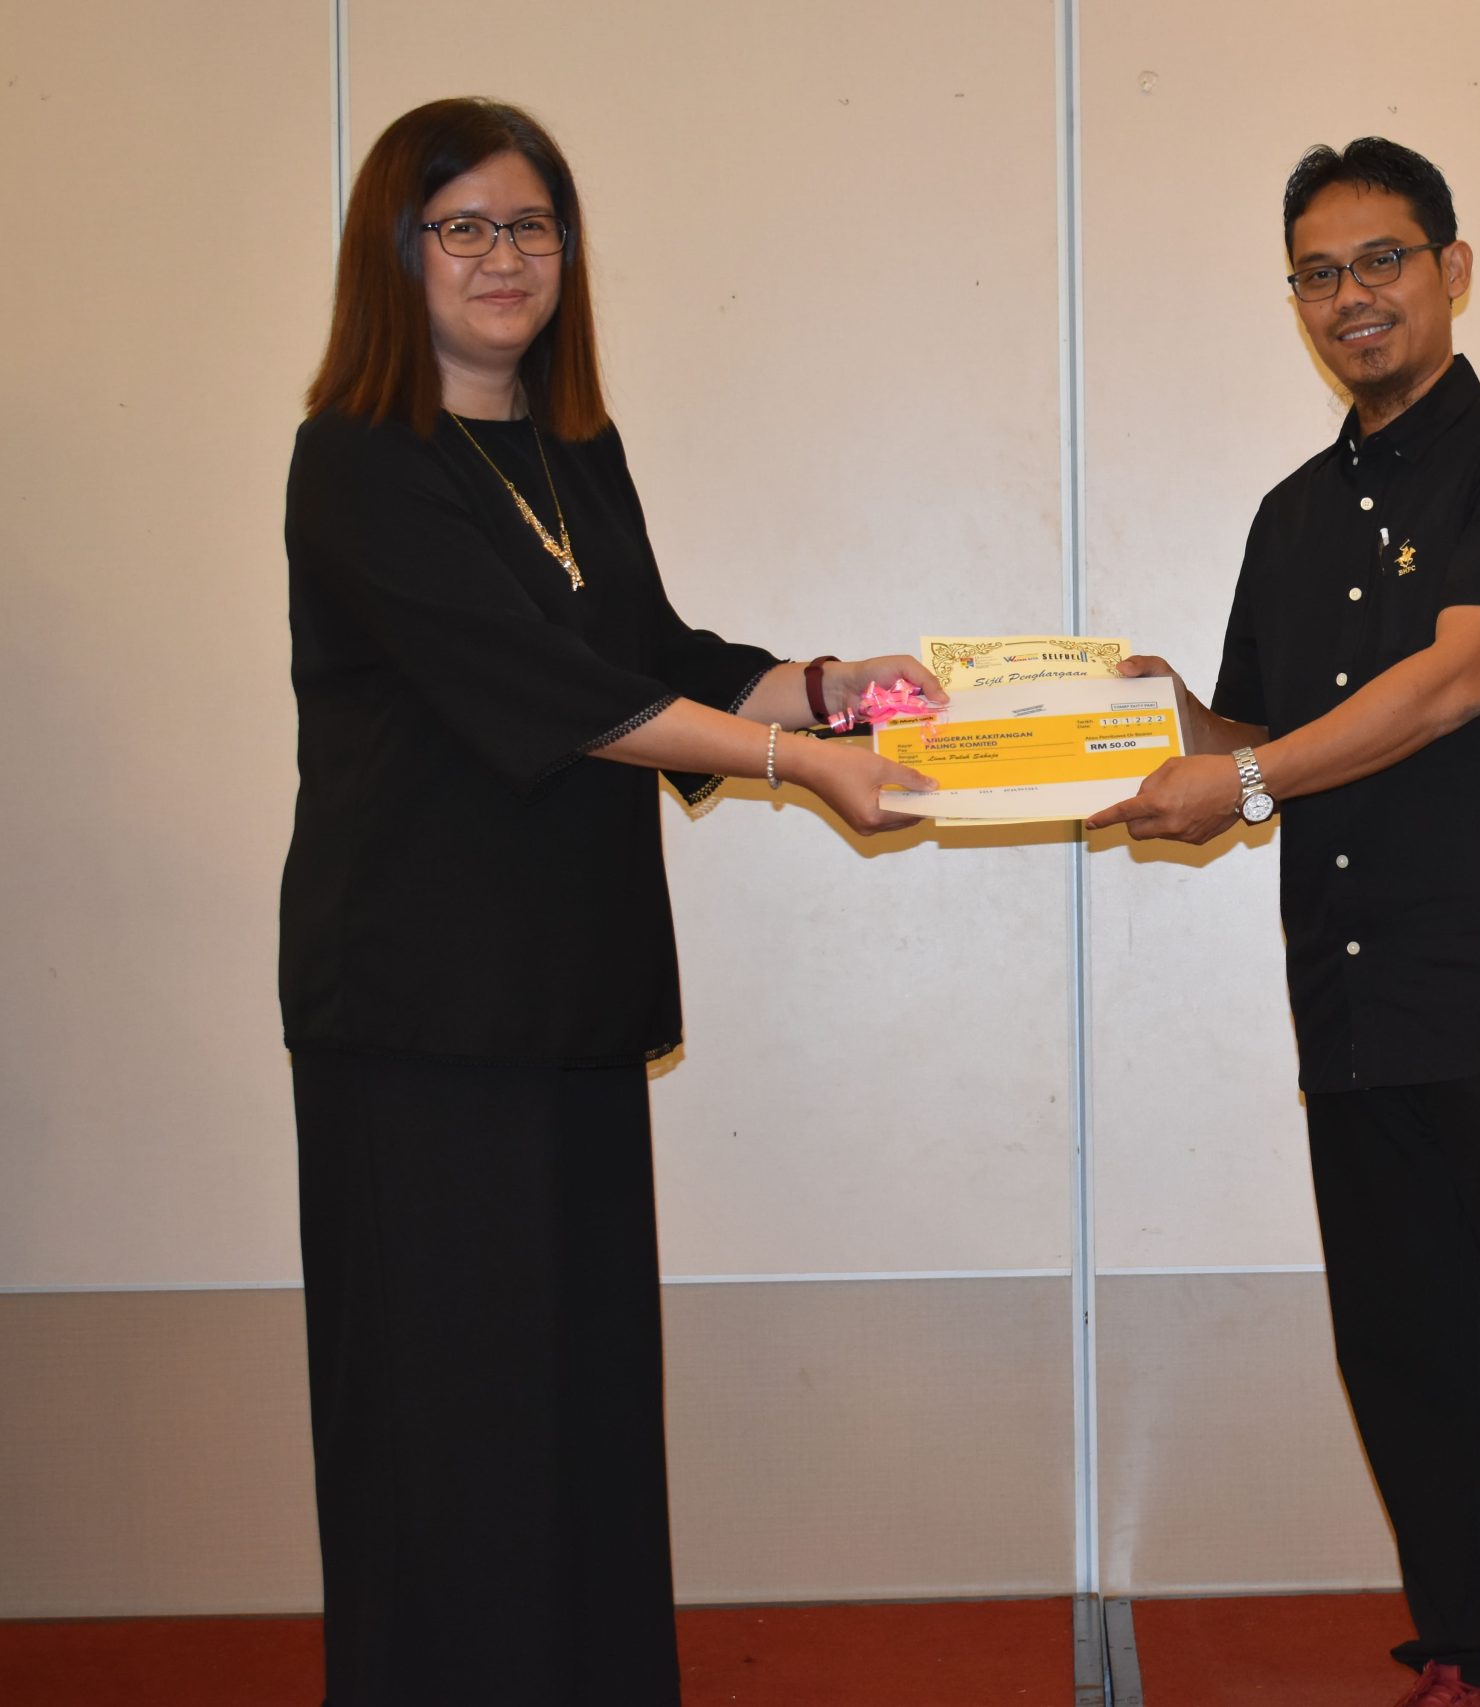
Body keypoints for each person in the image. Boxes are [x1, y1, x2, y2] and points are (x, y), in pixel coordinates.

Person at [281, 97, 939, 1705]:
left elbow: (654, 659)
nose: (504, 258)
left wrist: (844, 690)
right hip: (420, 1023)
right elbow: (550, 692)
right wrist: (800, 768)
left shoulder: (575, 452)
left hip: (569, 998)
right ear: (396, 256)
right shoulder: (356, 460)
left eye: (532, 226)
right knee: (449, 1432)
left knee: (575, 1412)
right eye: (464, 227)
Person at [1088, 139, 1480, 1707]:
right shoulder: (1291, 516)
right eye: (1317, 272)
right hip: (1355, 999)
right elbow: (1263, 732)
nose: (1350, 296)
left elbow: (1458, 681)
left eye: (1381, 259)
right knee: (1406, 1356)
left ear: (1453, 270)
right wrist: (1147, 720)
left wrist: (1241, 783)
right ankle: (1469, 1656)